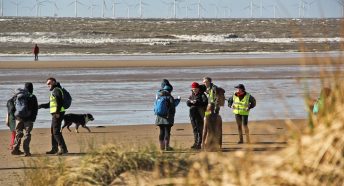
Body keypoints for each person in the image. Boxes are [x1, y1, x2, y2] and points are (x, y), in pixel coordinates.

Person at [39, 77, 68, 155]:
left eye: (49, 83)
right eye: (47, 84)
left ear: (54, 82)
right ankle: (54, 149)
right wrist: (40, 106)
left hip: (58, 113)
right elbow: (50, 104)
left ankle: (63, 149)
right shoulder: (54, 91)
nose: (48, 85)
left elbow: (60, 102)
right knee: (53, 131)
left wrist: (57, 112)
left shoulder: (57, 90)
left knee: (56, 132)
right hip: (56, 113)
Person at [11, 83, 38, 156]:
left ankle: (15, 149)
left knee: (18, 133)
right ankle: (26, 151)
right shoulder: (32, 96)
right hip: (28, 119)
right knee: (27, 134)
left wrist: (14, 116)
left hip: (18, 117)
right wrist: (33, 118)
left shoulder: (18, 95)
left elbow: (13, 106)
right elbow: (35, 109)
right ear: (31, 88)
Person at [154, 82, 180, 151]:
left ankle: (161, 147)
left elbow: (155, 106)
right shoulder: (169, 97)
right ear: (170, 90)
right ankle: (167, 147)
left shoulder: (158, 96)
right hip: (168, 117)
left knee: (161, 131)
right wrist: (178, 100)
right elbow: (173, 106)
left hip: (159, 117)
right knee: (167, 132)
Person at [186, 82, 208, 150]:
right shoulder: (191, 95)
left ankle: (200, 143)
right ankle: (195, 143)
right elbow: (187, 103)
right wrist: (190, 102)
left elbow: (206, 102)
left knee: (200, 129)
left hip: (199, 115)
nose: (194, 90)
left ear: (198, 88)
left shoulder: (202, 95)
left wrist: (197, 102)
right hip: (192, 115)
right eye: (193, 89)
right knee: (195, 129)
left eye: (195, 89)